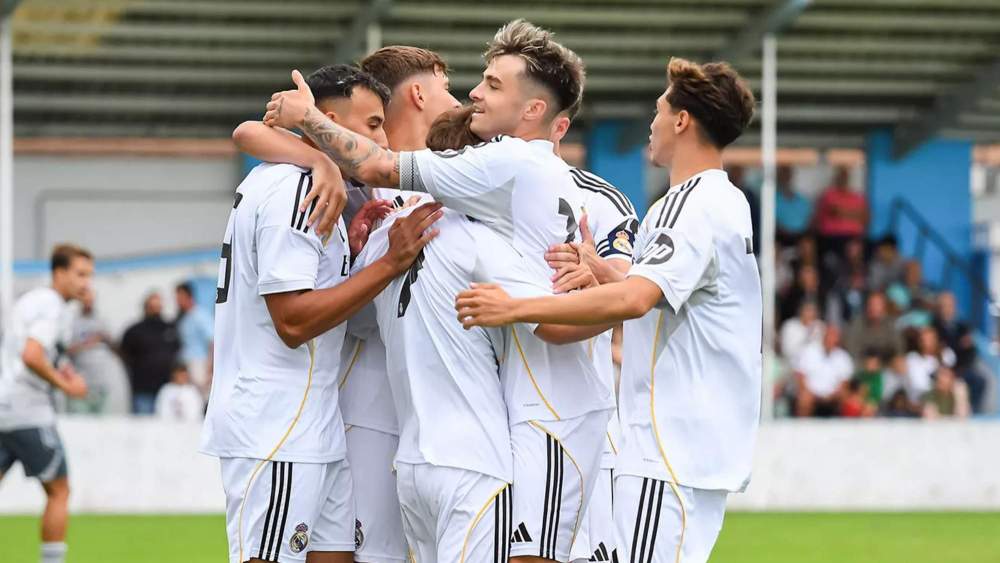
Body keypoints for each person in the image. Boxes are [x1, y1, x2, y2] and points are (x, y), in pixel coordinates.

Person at [265, 21, 617, 563]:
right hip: (491, 436)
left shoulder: (496, 177)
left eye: (492, 85)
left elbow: (376, 165)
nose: (474, 93)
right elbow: (556, 318)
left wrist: (308, 124)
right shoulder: (457, 228)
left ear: (532, 111)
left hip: (518, 422)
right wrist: (613, 299)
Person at [455, 56, 759, 563]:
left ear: (682, 121)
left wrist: (515, 307)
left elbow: (636, 300)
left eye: (660, 110)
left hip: (668, 449)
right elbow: (663, 296)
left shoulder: (687, 205)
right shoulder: (724, 200)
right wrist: (603, 269)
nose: (652, 122)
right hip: (696, 447)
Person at [200, 63, 441, 563]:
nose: (381, 139)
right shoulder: (295, 190)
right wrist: (390, 262)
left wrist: (352, 252)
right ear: (328, 121)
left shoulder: (311, 180)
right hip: (276, 424)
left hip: (315, 422)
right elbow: (292, 321)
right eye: (372, 124)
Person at [0, 244, 93, 563]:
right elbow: (32, 355)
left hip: (4, 406)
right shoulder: (52, 306)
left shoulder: (33, 301)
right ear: (59, 272)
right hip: (28, 412)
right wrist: (66, 386)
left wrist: (62, 369)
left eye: (89, 275)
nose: (86, 282)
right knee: (59, 491)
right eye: (80, 274)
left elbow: (34, 352)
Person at [65, 287, 131, 415]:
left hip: (102, 383)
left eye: (91, 300)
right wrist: (87, 343)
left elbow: (117, 348)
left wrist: (104, 338)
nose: (88, 303)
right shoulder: (72, 322)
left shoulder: (103, 320)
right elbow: (66, 350)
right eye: (85, 300)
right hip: (81, 382)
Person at [120, 292, 179, 414]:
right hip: (143, 390)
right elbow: (124, 355)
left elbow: (176, 352)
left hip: (167, 390)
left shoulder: (170, 329)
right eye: (152, 307)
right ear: (145, 307)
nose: (155, 310)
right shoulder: (134, 331)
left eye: (158, 306)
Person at [933, 291, 987, 412]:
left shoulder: (962, 327)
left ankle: (973, 411)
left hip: (961, 368)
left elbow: (970, 350)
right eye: (944, 306)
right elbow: (938, 349)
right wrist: (959, 345)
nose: (947, 309)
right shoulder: (934, 326)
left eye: (950, 305)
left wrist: (961, 368)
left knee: (979, 381)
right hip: (941, 368)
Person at [794, 325, 853, 417]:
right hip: (811, 393)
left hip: (833, 395)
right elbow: (800, 376)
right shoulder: (809, 351)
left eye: (834, 337)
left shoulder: (843, 357)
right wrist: (810, 392)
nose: (831, 339)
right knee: (804, 398)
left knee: (848, 399)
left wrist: (832, 395)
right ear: (824, 336)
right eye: (829, 336)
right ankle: (802, 426)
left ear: (838, 339)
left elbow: (845, 383)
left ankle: (844, 426)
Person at [812, 166, 867, 259]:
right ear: (836, 178)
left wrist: (843, 212)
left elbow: (865, 217)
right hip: (832, 238)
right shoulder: (829, 195)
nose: (843, 179)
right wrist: (855, 214)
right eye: (841, 176)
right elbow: (835, 212)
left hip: (854, 237)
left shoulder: (857, 197)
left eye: (845, 177)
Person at [174, 282, 214, 398]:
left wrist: (210, 368)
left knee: (203, 398)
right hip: (186, 365)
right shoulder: (183, 318)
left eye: (180, 297)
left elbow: (212, 342)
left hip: (200, 364)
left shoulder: (201, 315)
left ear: (189, 296)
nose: (177, 301)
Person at [843, 292, 903, 365]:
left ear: (884, 307)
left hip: (887, 365)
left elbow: (898, 348)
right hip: (861, 366)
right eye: (871, 304)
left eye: (877, 304)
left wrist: (894, 361)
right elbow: (851, 349)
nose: (873, 307)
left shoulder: (891, 324)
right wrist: (864, 363)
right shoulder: (857, 323)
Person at [904, 326, 955, 406]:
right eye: (923, 340)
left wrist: (939, 357)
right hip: (922, 397)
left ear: (936, 340)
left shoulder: (946, 354)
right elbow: (917, 385)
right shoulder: (912, 358)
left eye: (930, 339)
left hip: (944, 395)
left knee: (960, 387)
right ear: (919, 342)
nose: (926, 343)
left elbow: (950, 377)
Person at [774, 165, 812, 245]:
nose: (785, 178)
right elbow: (771, 222)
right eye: (783, 175)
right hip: (780, 235)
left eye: (787, 175)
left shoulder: (801, 199)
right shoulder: (772, 199)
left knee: (807, 245)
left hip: (800, 235)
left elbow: (808, 220)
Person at [779, 301, 824, 367]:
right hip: (792, 365)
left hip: (815, 366)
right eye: (808, 310)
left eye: (813, 311)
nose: (811, 314)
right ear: (801, 311)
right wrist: (807, 336)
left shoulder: (820, 326)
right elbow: (786, 351)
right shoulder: (790, 326)